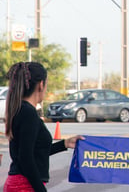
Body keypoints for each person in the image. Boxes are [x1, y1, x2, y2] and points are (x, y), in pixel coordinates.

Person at [3, 62, 84, 192]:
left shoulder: (21, 109)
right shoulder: (28, 113)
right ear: (41, 85)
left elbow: (35, 151)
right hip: (24, 186)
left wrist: (65, 144)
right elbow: (26, 158)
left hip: (19, 183)